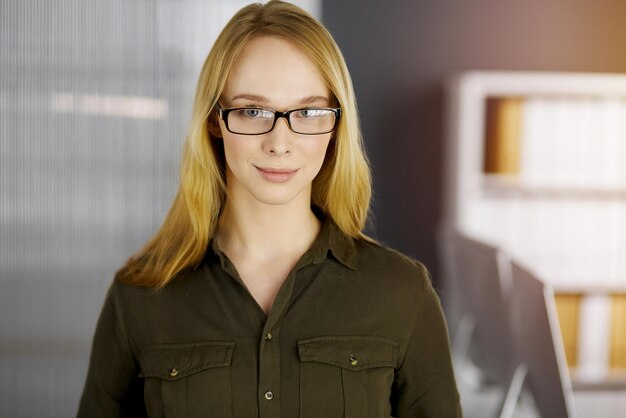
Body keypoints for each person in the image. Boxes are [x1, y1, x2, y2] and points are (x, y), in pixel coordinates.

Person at [77, 1, 461, 417]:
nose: (280, 142)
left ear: (336, 125)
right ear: (214, 120)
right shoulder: (140, 295)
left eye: (309, 111)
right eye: (252, 110)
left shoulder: (402, 293)